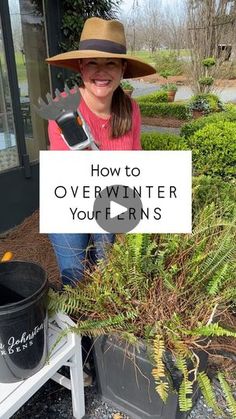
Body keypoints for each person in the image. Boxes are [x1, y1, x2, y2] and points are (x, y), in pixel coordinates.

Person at [46, 17, 156, 287]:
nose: (101, 72)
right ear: (81, 66)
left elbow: (136, 164)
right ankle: (76, 327)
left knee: (111, 274)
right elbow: (70, 176)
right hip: (70, 201)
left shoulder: (130, 109)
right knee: (75, 278)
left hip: (112, 202)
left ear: (122, 68)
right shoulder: (63, 109)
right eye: (93, 62)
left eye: (110, 63)